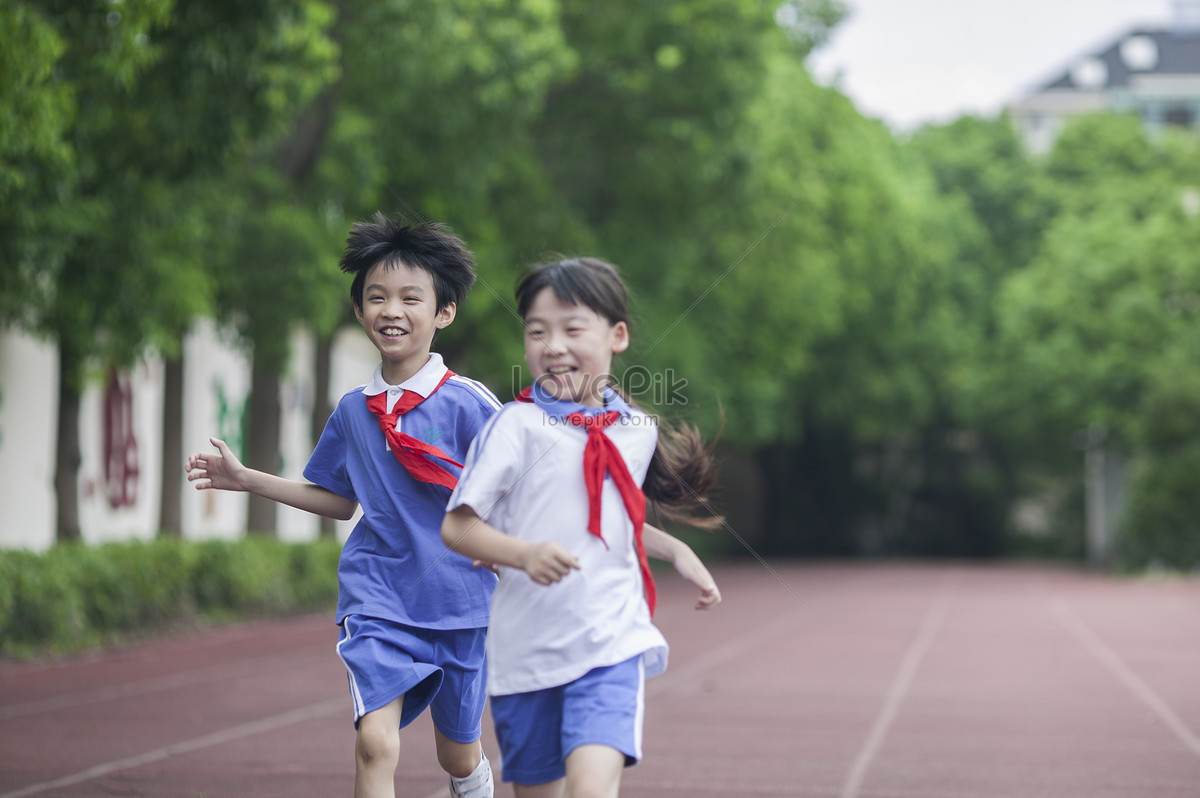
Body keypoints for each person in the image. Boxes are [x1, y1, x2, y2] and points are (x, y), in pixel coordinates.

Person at [186, 214, 500, 798]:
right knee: (375, 742)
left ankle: (472, 782)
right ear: (359, 311)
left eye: (411, 298)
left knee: (456, 753)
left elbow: (520, 486)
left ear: (444, 312)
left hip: (460, 604)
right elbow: (337, 500)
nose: (392, 310)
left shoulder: (470, 403)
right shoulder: (354, 411)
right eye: (376, 297)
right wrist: (248, 479)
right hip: (378, 596)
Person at [441, 256, 722, 798]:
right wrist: (521, 554)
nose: (553, 346)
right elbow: (456, 528)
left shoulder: (636, 430)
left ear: (617, 336)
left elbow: (614, 520)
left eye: (572, 328)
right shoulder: (514, 427)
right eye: (537, 331)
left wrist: (676, 550)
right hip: (528, 653)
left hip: (610, 642)